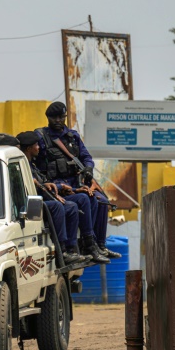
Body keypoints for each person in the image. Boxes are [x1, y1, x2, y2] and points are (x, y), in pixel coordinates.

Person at [35, 102, 120, 262]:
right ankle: (88, 243)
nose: (58, 121)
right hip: (56, 185)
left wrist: (88, 168)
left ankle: (99, 245)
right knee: (85, 199)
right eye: (55, 117)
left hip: (75, 183)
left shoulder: (72, 136)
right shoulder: (42, 137)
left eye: (61, 117)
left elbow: (86, 157)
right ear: (48, 118)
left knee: (102, 201)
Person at [16, 131, 89, 265]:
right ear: (28, 148)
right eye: (36, 145)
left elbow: (44, 183)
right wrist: (50, 190)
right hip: (30, 205)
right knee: (57, 206)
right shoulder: (21, 166)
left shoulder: (32, 165)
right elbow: (32, 188)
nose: (39, 147)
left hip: (42, 199)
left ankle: (72, 248)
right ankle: (61, 249)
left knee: (74, 204)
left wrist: (65, 188)